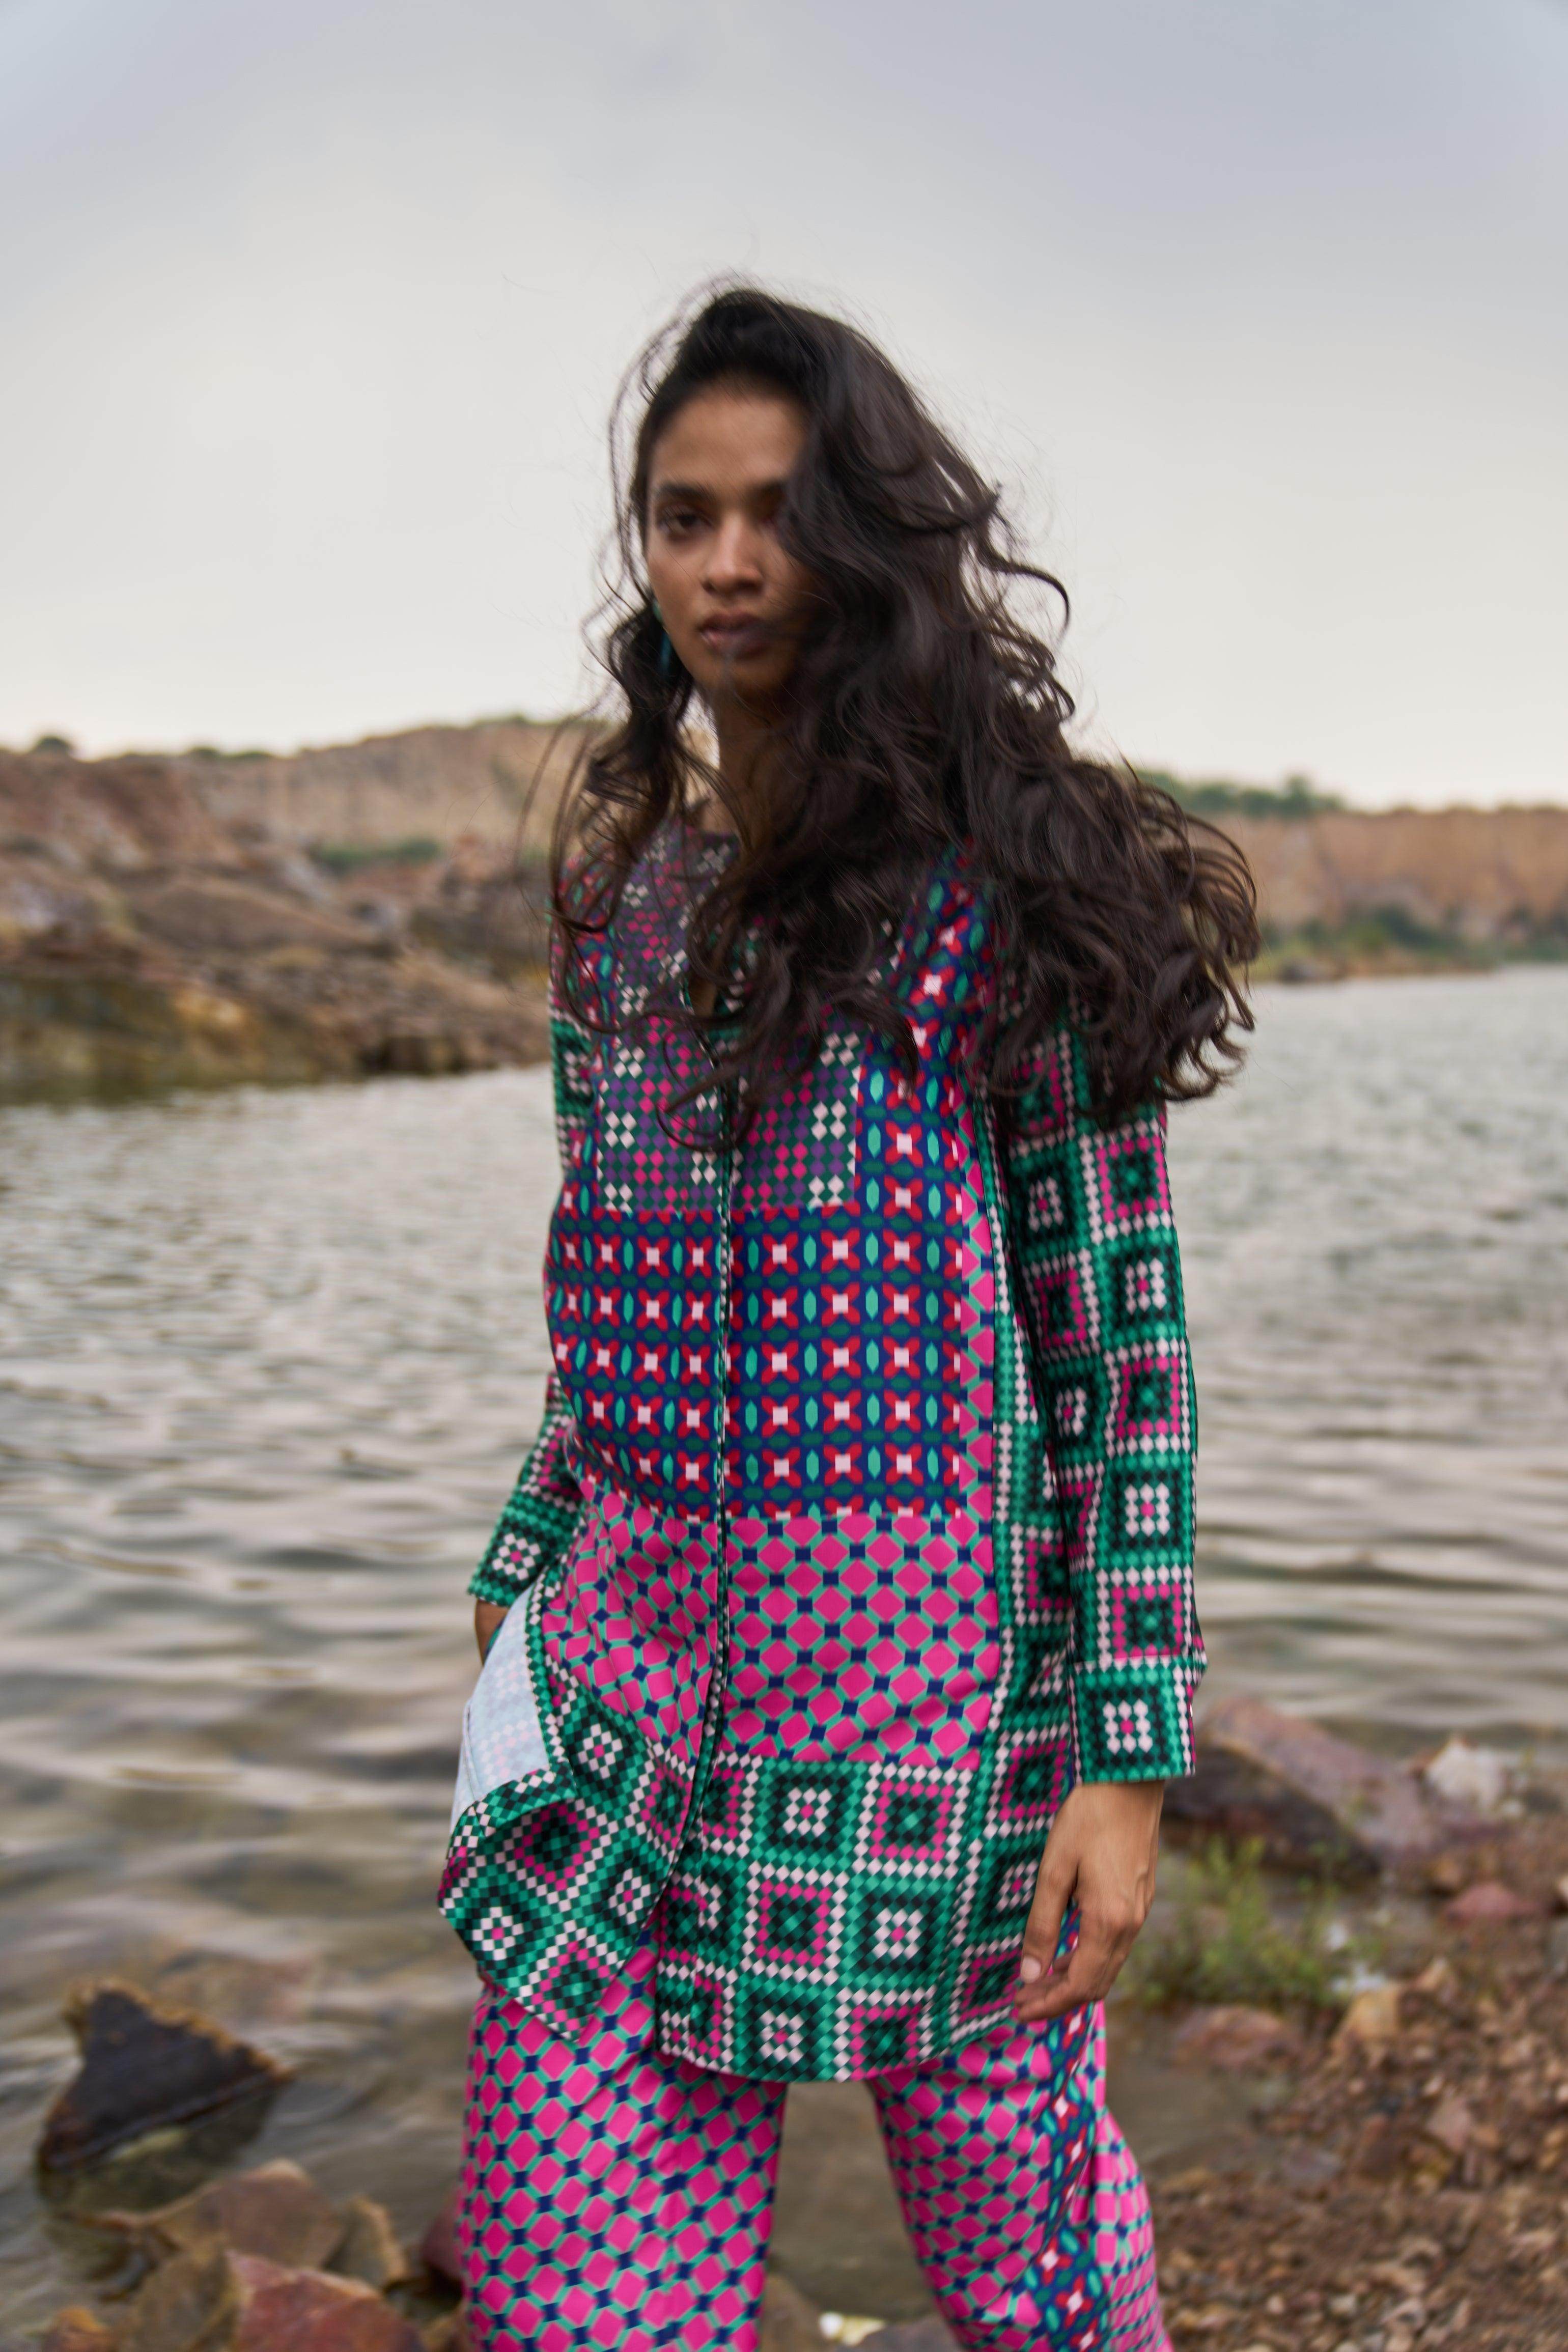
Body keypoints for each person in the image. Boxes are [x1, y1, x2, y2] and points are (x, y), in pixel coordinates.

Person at [440, 284, 1257, 2352]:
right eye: (682, 514)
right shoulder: (621, 917)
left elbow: (1120, 1356)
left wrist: (1125, 1754)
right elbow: (598, 1313)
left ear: (864, 540)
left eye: (776, 514)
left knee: (1037, 2290)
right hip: (620, 1715)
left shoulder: (1013, 889)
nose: (726, 562)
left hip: (939, 1747)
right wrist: (519, 1574)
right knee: (569, 2292)